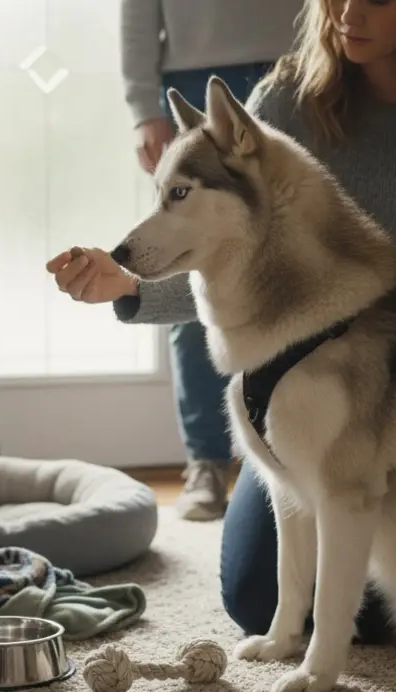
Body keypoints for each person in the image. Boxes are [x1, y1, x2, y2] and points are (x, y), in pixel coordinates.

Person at [53, 0, 396, 644]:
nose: (347, 13)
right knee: (256, 597)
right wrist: (130, 287)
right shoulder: (286, 102)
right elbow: (234, 260)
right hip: (313, 401)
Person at [120, 0, 302, 522]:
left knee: (292, 259)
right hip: (194, 73)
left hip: (298, 66)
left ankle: (287, 447)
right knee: (193, 260)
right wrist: (143, 108)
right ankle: (206, 460)